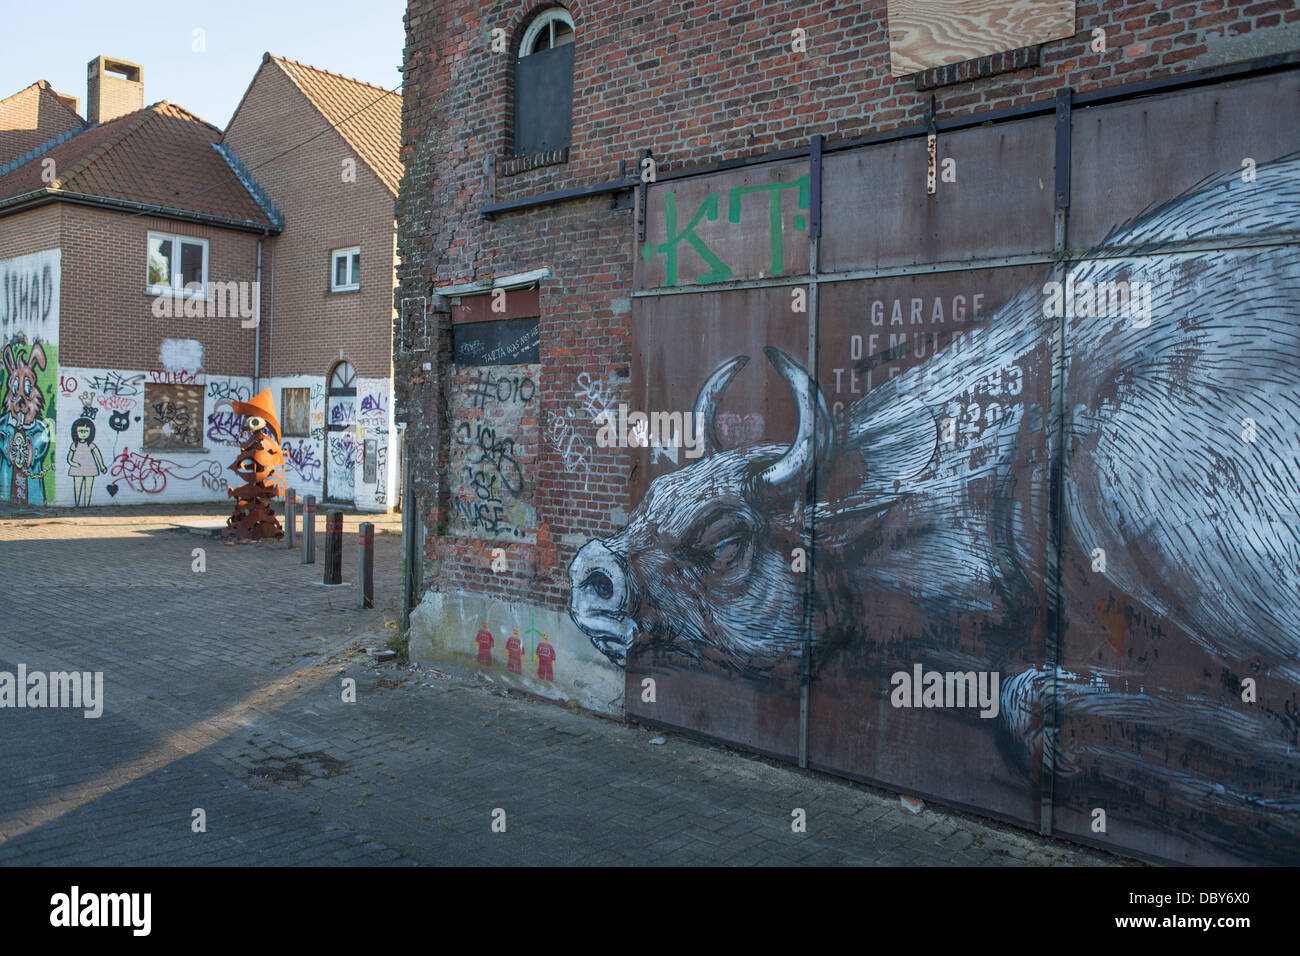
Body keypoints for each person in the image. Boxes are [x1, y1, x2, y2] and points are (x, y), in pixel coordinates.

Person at [66, 417, 107, 507]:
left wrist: (102, 466)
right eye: (81, 431)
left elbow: (98, 455)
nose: (83, 434)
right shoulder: (74, 445)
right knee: (77, 487)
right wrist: (73, 464)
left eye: (86, 431)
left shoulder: (91, 445)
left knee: (88, 488)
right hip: (77, 468)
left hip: (90, 467)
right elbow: (69, 458)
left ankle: (87, 505)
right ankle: (77, 504)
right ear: (75, 432)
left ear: (90, 432)